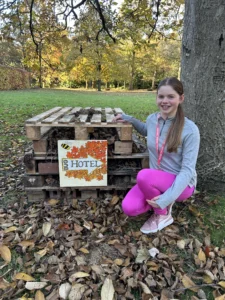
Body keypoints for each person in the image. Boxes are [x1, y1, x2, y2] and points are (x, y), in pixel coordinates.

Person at [112, 77, 200, 234]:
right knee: (129, 208)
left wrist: (166, 199)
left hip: (181, 184)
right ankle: (156, 196)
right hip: (155, 179)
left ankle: (163, 214)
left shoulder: (190, 130)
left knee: (144, 176)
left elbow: (187, 171)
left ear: (181, 98)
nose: (165, 101)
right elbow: (147, 130)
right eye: (161, 96)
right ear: (156, 98)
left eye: (170, 97)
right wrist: (129, 119)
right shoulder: (153, 119)